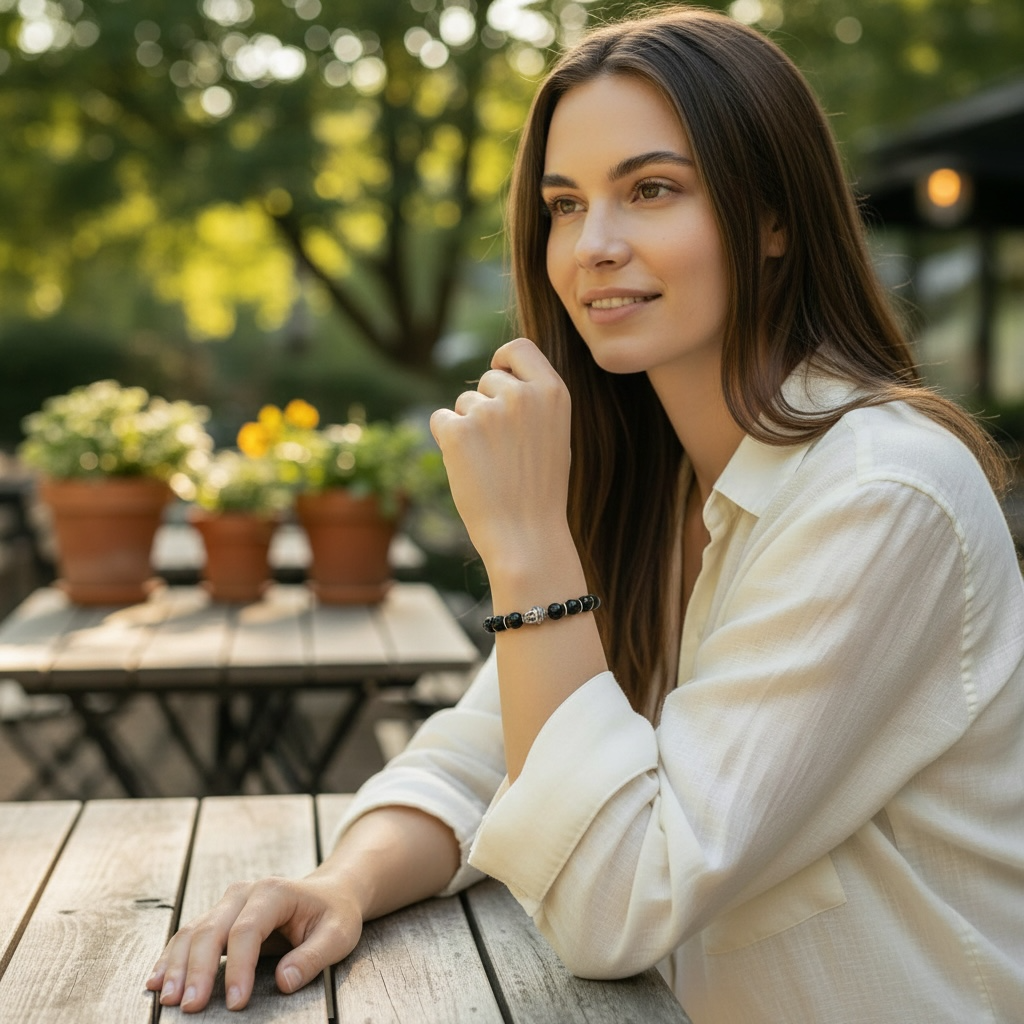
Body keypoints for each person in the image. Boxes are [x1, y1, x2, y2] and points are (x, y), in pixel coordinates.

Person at [147, 8, 1024, 1022]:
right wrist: (342, 880)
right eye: (565, 205)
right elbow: (485, 752)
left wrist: (527, 552)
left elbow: (617, 900)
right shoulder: (651, 480)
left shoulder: (881, 494)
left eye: (651, 190)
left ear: (776, 217)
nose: (593, 246)